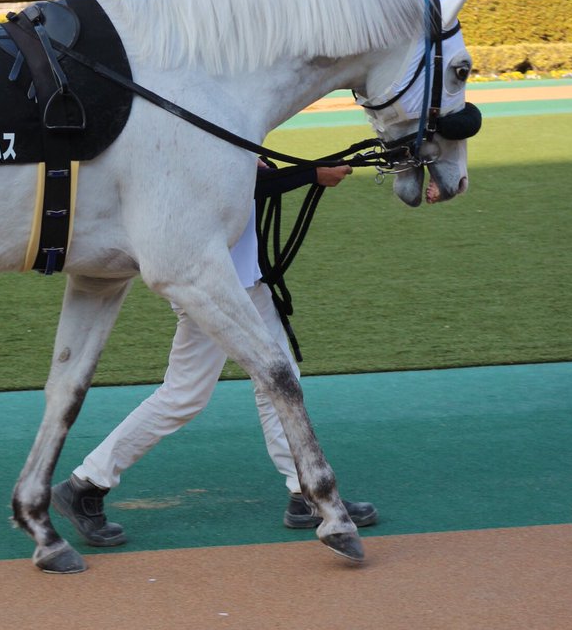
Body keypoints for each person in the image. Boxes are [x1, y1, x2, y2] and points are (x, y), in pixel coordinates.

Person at [51, 163, 380, 548]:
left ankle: (305, 491)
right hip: (214, 289)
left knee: (274, 381)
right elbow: (237, 182)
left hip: (238, 285)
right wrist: (311, 175)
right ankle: (85, 485)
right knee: (187, 394)